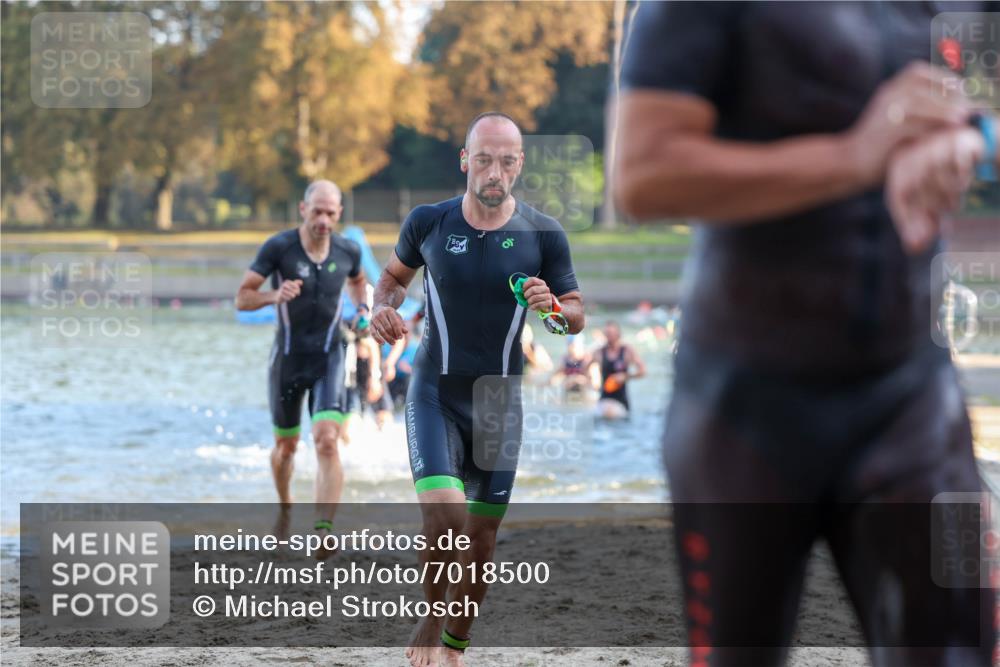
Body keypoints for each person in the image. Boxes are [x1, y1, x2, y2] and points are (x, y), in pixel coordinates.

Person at [614, 4, 997, 666]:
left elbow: (983, 101)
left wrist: (976, 138)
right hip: (744, 411)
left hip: (911, 401)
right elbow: (642, 173)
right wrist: (854, 157)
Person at [370, 111, 584, 667]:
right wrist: (381, 311)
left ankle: (455, 650)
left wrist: (555, 309)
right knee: (444, 519)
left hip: (499, 402)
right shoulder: (429, 222)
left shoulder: (544, 234)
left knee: (481, 542)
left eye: (506, 161)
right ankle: (432, 617)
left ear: (519, 165)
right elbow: (391, 279)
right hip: (434, 390)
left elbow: (574, 316)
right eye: (483, 159)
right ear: (466, 161)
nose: (494, 171)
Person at [235, 180, 366, 551]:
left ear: (339, 213)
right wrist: (274, 295)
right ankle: (285, 505)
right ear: (303, 209)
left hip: (330, 354)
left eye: (331, 213)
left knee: (327, 440)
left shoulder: (349, 249)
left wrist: (363, 310)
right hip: (289, 359)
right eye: (317, 211)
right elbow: (241, 298)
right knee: (286, 447)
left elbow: (358, 283)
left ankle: (323, 528)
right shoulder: (279, 248)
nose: (323, 220)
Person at [592, 320, 645, 419]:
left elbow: (642, 371)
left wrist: (625, 376)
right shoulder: (599, 352)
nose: (609, 337)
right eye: (607, 334)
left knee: (611, 414)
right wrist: (592, 382)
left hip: (621, 401)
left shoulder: (627, 350)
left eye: (611, 334)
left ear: (618, 334)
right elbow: (585, 367)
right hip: (604, 399)